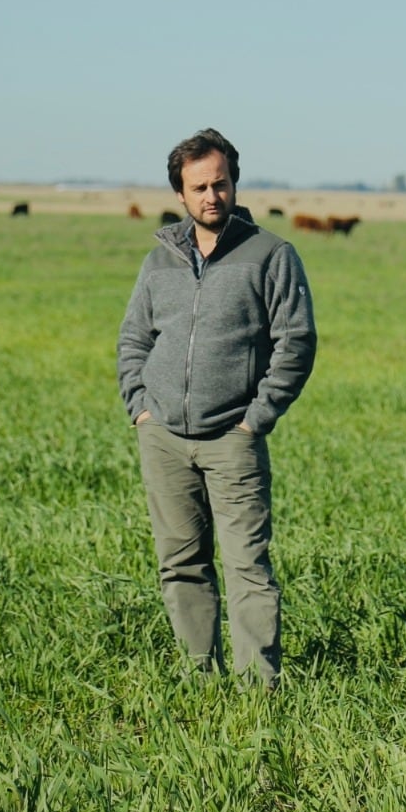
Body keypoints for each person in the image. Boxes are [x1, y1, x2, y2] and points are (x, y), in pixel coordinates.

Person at [118, 128, 317, 687]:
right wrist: (140, 407)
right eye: (198, 187)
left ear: (235, 183)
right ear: (179, 194)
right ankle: (198, 677)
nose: (211, 196)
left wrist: (257, 417)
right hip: (163, 437)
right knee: (180, 563)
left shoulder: (270, 255)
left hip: (233, 436)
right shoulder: (158, 263)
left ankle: (258, 689)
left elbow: (295, 341)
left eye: (220, 184)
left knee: (246, 566)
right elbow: (134, 339)